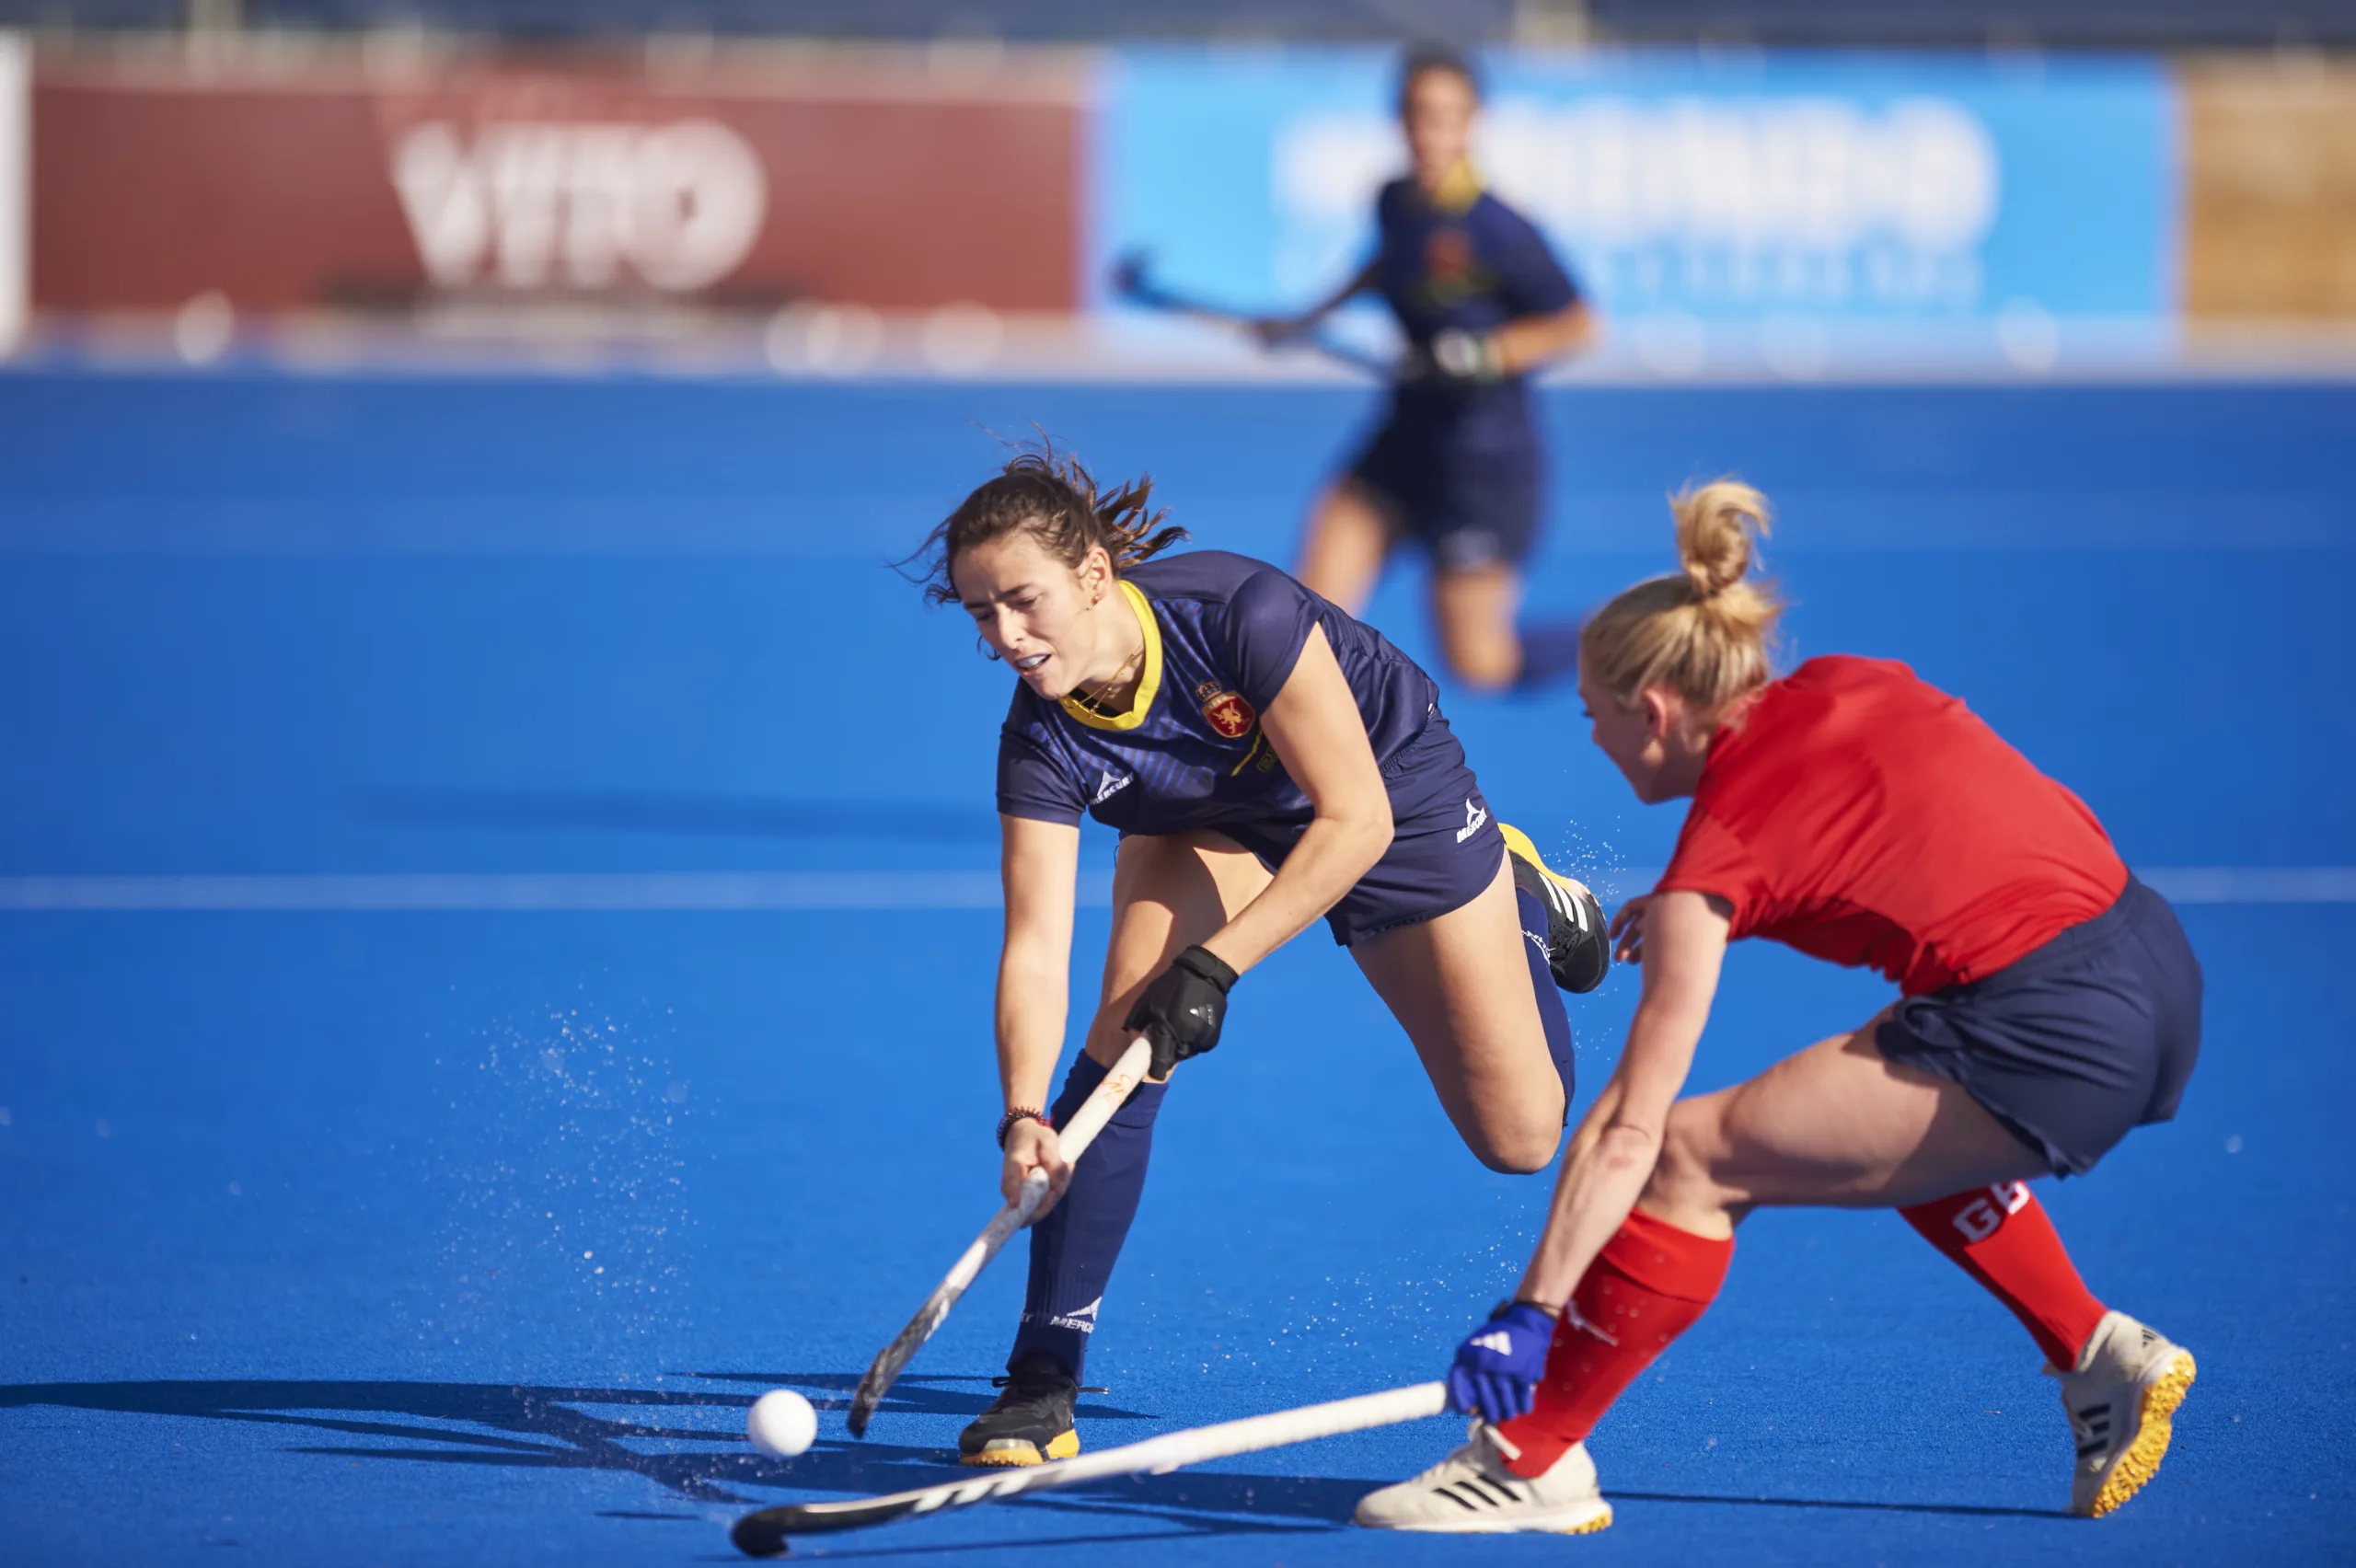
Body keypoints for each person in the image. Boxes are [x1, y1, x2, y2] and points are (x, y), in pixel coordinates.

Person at [1356, 480, 2200, 1534]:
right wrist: (1702, 898)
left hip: (2053, 1030)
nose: (1595, 743)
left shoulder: (1721, 858)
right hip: (2152, 971)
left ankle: (1531, 1457)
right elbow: (1883, 821)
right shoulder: (1852, 681)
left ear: (1655, 711)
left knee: (1690, 1160)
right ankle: (2094, 1352)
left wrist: (1529, 1311)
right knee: (1858, 1111)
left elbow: (1628, 1129)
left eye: (1595, 717)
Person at [909, 447, 1610, 1468]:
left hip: (1382, 793)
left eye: (1023, 601)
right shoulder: (1042, 741)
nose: (1007, 637)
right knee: (1129, 1041)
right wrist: (1023, 1115)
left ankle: (1522, 896)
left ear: (1095, 576)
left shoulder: (1239, 612)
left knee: (1520, 1137)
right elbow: (1033, 947)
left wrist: (1221, 963)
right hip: (1211, 816)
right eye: (982, 615)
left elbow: (1354, 820)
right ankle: (1039, 1381)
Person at [1256, 45, 1597, 694]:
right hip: (1404, 440)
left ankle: (1627, 639)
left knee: (1481, 663)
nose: (1428, 132)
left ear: (1472, 123)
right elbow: (1385, 266)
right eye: (1416, 115)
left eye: (1445, 116)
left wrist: (1480, 354)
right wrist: (1304, 319)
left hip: (1482, 463)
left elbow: (1578, 323)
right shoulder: (1394, 202)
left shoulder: (1500, 229)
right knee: (1304, 626)